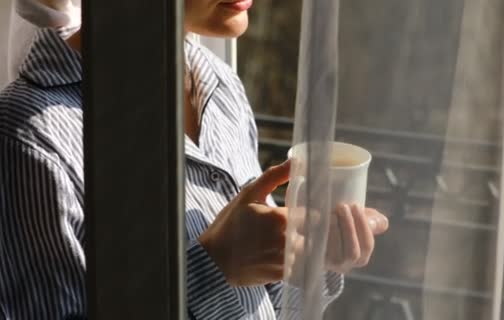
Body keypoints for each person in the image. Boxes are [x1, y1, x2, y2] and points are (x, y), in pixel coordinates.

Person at [0, 0, 390, 319]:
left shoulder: (217, 84)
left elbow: (268, 308)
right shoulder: (30, 138)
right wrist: (216, 266)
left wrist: (310, 258)